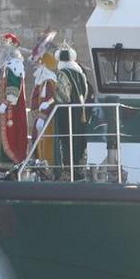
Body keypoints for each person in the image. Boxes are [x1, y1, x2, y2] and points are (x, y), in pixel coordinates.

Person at [0, 32, 29, 170]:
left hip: (10, 110)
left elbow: (14, 86)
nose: (2, 50)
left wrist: (5, 103)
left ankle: (10, 163)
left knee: (10, 135)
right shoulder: (1, 67)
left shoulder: (14, 66)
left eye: (5, 47)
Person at [51, 44, 91, 179]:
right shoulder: (80, 73)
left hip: (66, 113)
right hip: (80, 112)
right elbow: (86, 91)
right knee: (78, 139)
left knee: (66, 140)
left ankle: (67, 170)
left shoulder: (62, 73)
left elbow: (63, 96)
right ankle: (79, 169)